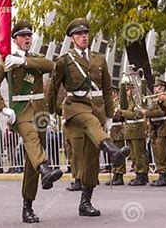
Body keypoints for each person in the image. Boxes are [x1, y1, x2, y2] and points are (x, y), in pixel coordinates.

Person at [48, 18, 130, 217]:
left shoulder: (99, 59)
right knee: (89, 123)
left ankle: (85, 202)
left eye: (85, 33)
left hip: (97, 109)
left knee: (91, 159)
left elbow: (106, 90)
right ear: (72, 38)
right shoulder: (64, 61)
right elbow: (53, 88)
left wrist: (109, 115)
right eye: (78, 34)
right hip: (75, 107)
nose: (83, 37)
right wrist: (52, 112)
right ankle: (112, 150)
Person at [0, 19, 63, 223]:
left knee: (31, 161)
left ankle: (27, 205)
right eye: (23, 36)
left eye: (29, 35)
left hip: (40, 112)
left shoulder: (35, 59)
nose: (27, 38)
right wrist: (3, 108)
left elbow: (51, 65)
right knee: (30, 138)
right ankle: (45, 167)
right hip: (20, 112)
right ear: (15, 39)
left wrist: (25, 61)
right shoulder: (7, 61)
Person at [120, 84, 149, 186]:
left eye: (128, 89)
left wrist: (122, 112)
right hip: (130, 131)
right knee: (133, 155)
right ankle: (139, 173)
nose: (127, 92)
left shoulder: (138, 101)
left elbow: (136, 115)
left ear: (133, 90)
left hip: (137, 131)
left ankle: (141, 174)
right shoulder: (127, 101)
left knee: (138, 154)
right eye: (126, 90)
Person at [105, 86, 127, 186]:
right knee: (113, 153)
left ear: (115, 93)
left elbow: (120, 115)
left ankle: (120, 174)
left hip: (118, 129)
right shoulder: (110, 103)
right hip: (111, 130)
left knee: (119, 152)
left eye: (112, 92)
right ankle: (115, 174)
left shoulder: (119, 102)